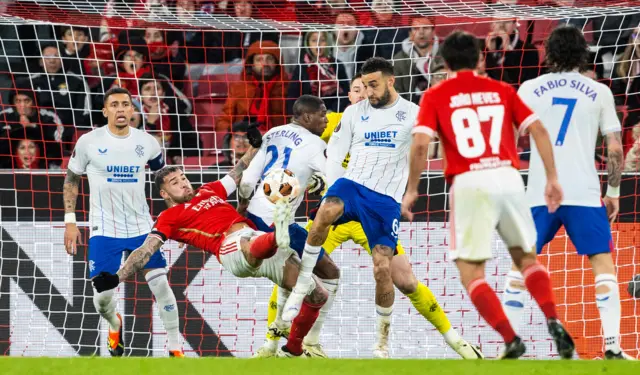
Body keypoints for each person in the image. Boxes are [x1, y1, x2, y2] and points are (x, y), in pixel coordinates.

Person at [282, 58, 482, 359]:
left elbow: (444, 136)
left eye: (372, 85)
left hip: (382, 202)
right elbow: (328, 152)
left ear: (391, 81)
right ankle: (278, 336)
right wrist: (329, 188)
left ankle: (416, 341)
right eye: (359, 87)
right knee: (300, 250)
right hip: (349, 192)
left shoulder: (413, 114)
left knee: (394, 274)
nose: (366, 93)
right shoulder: (346, 116)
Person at [401, 30, 574, 360]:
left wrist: (412, 189)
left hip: (469, 182)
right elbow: (537, 129)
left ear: (445, 61)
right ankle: (553, 320)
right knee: (526, 260)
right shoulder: (502, 89)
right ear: (480, 58)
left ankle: (511, 339)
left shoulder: (436, 95)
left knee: (471, 273)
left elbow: (421, 144)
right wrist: (552, 178)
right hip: (509, 177)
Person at [91, 125, 331, 359]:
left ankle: (293, 349)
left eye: (183, 177)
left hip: (260, 243)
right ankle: (278, 234)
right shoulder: (169, 217)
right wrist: (117, 277)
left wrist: (255, 147)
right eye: (175, 182)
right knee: (248, 240)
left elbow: (237, 172)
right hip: (230, 250)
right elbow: (147, 249)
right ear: (164, 194)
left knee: (318, 295)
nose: (184, 183)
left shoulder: (209, 190)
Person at [503, 25, 634, 360]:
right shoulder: (599, 91)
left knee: (521, 264)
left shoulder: (529, 88)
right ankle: (613, 347)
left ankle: (510, 346)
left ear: (550, 53)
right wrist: (614, 191)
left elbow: (509, 138)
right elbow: (616, 149)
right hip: (584, 192)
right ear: (583, 53)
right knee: (602, 263)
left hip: (539, 193)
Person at [62, 87, 183, 357]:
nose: (120, 109)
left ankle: (175, 348)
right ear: (105, 111)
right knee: (102, 299)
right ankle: (115, 324)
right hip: (104, 230)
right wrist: (70, 222)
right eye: (114, 105)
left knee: (161, 285)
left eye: (125, 104)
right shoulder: (88, 142)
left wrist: (177, 210)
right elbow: (71, 180)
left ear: (132, 110)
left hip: (141, 227)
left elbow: (163, 178)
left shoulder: (149, 142)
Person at [240, 95, 341, 358]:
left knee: (289, 279)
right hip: (277, 224)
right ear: (307, 117)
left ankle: (273, 342)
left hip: (252, 220)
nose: (326, 119)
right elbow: (335, 182)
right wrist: (320, 185)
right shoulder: (315, 144)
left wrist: (242, 209)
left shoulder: (272, 133)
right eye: (322, 114)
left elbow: (247, 182)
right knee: (329, 273)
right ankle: (307, 343)